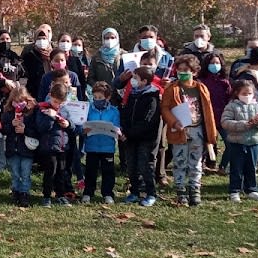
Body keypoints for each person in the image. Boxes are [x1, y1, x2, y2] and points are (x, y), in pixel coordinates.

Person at [161, 54, 217, 207]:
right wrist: (174, 122)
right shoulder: (172, 89)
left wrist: (211, 132)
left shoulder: (201, 88)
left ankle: (195, 189)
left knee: (196, 162)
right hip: (179, 130)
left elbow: (208, 110)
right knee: (179, 161)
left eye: (186, 70)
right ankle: (180, 190)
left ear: (194, 71)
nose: (182, 73)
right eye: (179, 70)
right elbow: (165, 108)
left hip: (197, 129)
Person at [221, 78, 258, 203]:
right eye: (244, 93)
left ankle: (252, 189)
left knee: (252, 167)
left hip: (254, 142)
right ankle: (234, 190)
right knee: (236, 168)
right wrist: (241, 125)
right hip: (237, 142)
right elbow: (225, 122)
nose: (247, 96)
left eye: (249, 93)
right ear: (237, 93)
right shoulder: (231, 107)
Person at [122, 66, 162, 207]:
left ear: (144, 81)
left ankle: (150, 193)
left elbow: (148, 120)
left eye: (135, 78)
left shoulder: (152, 97)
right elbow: (126, 113)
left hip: (146, 138)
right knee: (132, 165)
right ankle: (135, 191)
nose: (132, 80)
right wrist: (125, 131)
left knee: (145, 165)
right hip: (129, 138)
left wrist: (133, 133)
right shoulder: (133, 94)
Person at [33, 81, 75, 207]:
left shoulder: (65, 110)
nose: (57, 105)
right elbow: (41, 127)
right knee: (50, 171)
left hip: (62, 146)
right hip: (49, 146)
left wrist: (68, 124)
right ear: (50, 96)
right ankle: (46, 196)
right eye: (55, 101)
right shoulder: (43, 109)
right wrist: (51, 117)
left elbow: (72, 126)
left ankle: (60, 194)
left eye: (60, 103)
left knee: (62, 172)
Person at [80, 82, 121, 204]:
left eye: (100, 97)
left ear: (107, 97)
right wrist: (84, 130)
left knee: (108, 171)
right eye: (95, 97)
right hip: (91, 146)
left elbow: (117, 126)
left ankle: (107, 193)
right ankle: (88, 192)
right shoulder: (88, 109)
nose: (97, 100)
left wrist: (117, 130)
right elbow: (83, 123)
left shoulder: (114, 111)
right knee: (90, 171)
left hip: (107, 147)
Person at [2, 86, 41, 208]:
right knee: (15, 171)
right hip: (13, 148)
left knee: (25, 172)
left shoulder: (31, 112)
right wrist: (11, 125)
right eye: (16, 101)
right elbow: (3, 130)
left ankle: (24, 192)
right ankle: (15, 190)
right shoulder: (8, 112)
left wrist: (25, 130)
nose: (19, 104)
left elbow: (36, 130)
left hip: (26, 149)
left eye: (21, 101)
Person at [199, 52, 234, 173]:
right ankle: (201, 166)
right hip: (206, 118)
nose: (214, 65)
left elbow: (230, 98)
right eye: (212, 63)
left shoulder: (225, 82)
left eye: (217, 63)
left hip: (223, 118)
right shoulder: (201, 82)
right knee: (202, 145)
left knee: (230, 143)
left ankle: (222, 166)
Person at [21, 24, 54, 98]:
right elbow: (23, 74)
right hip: (34, 92)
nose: (42, 41)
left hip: (52, 92)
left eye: (44, 38)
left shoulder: (54, 54)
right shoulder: (28, 55)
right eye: (39, 39)